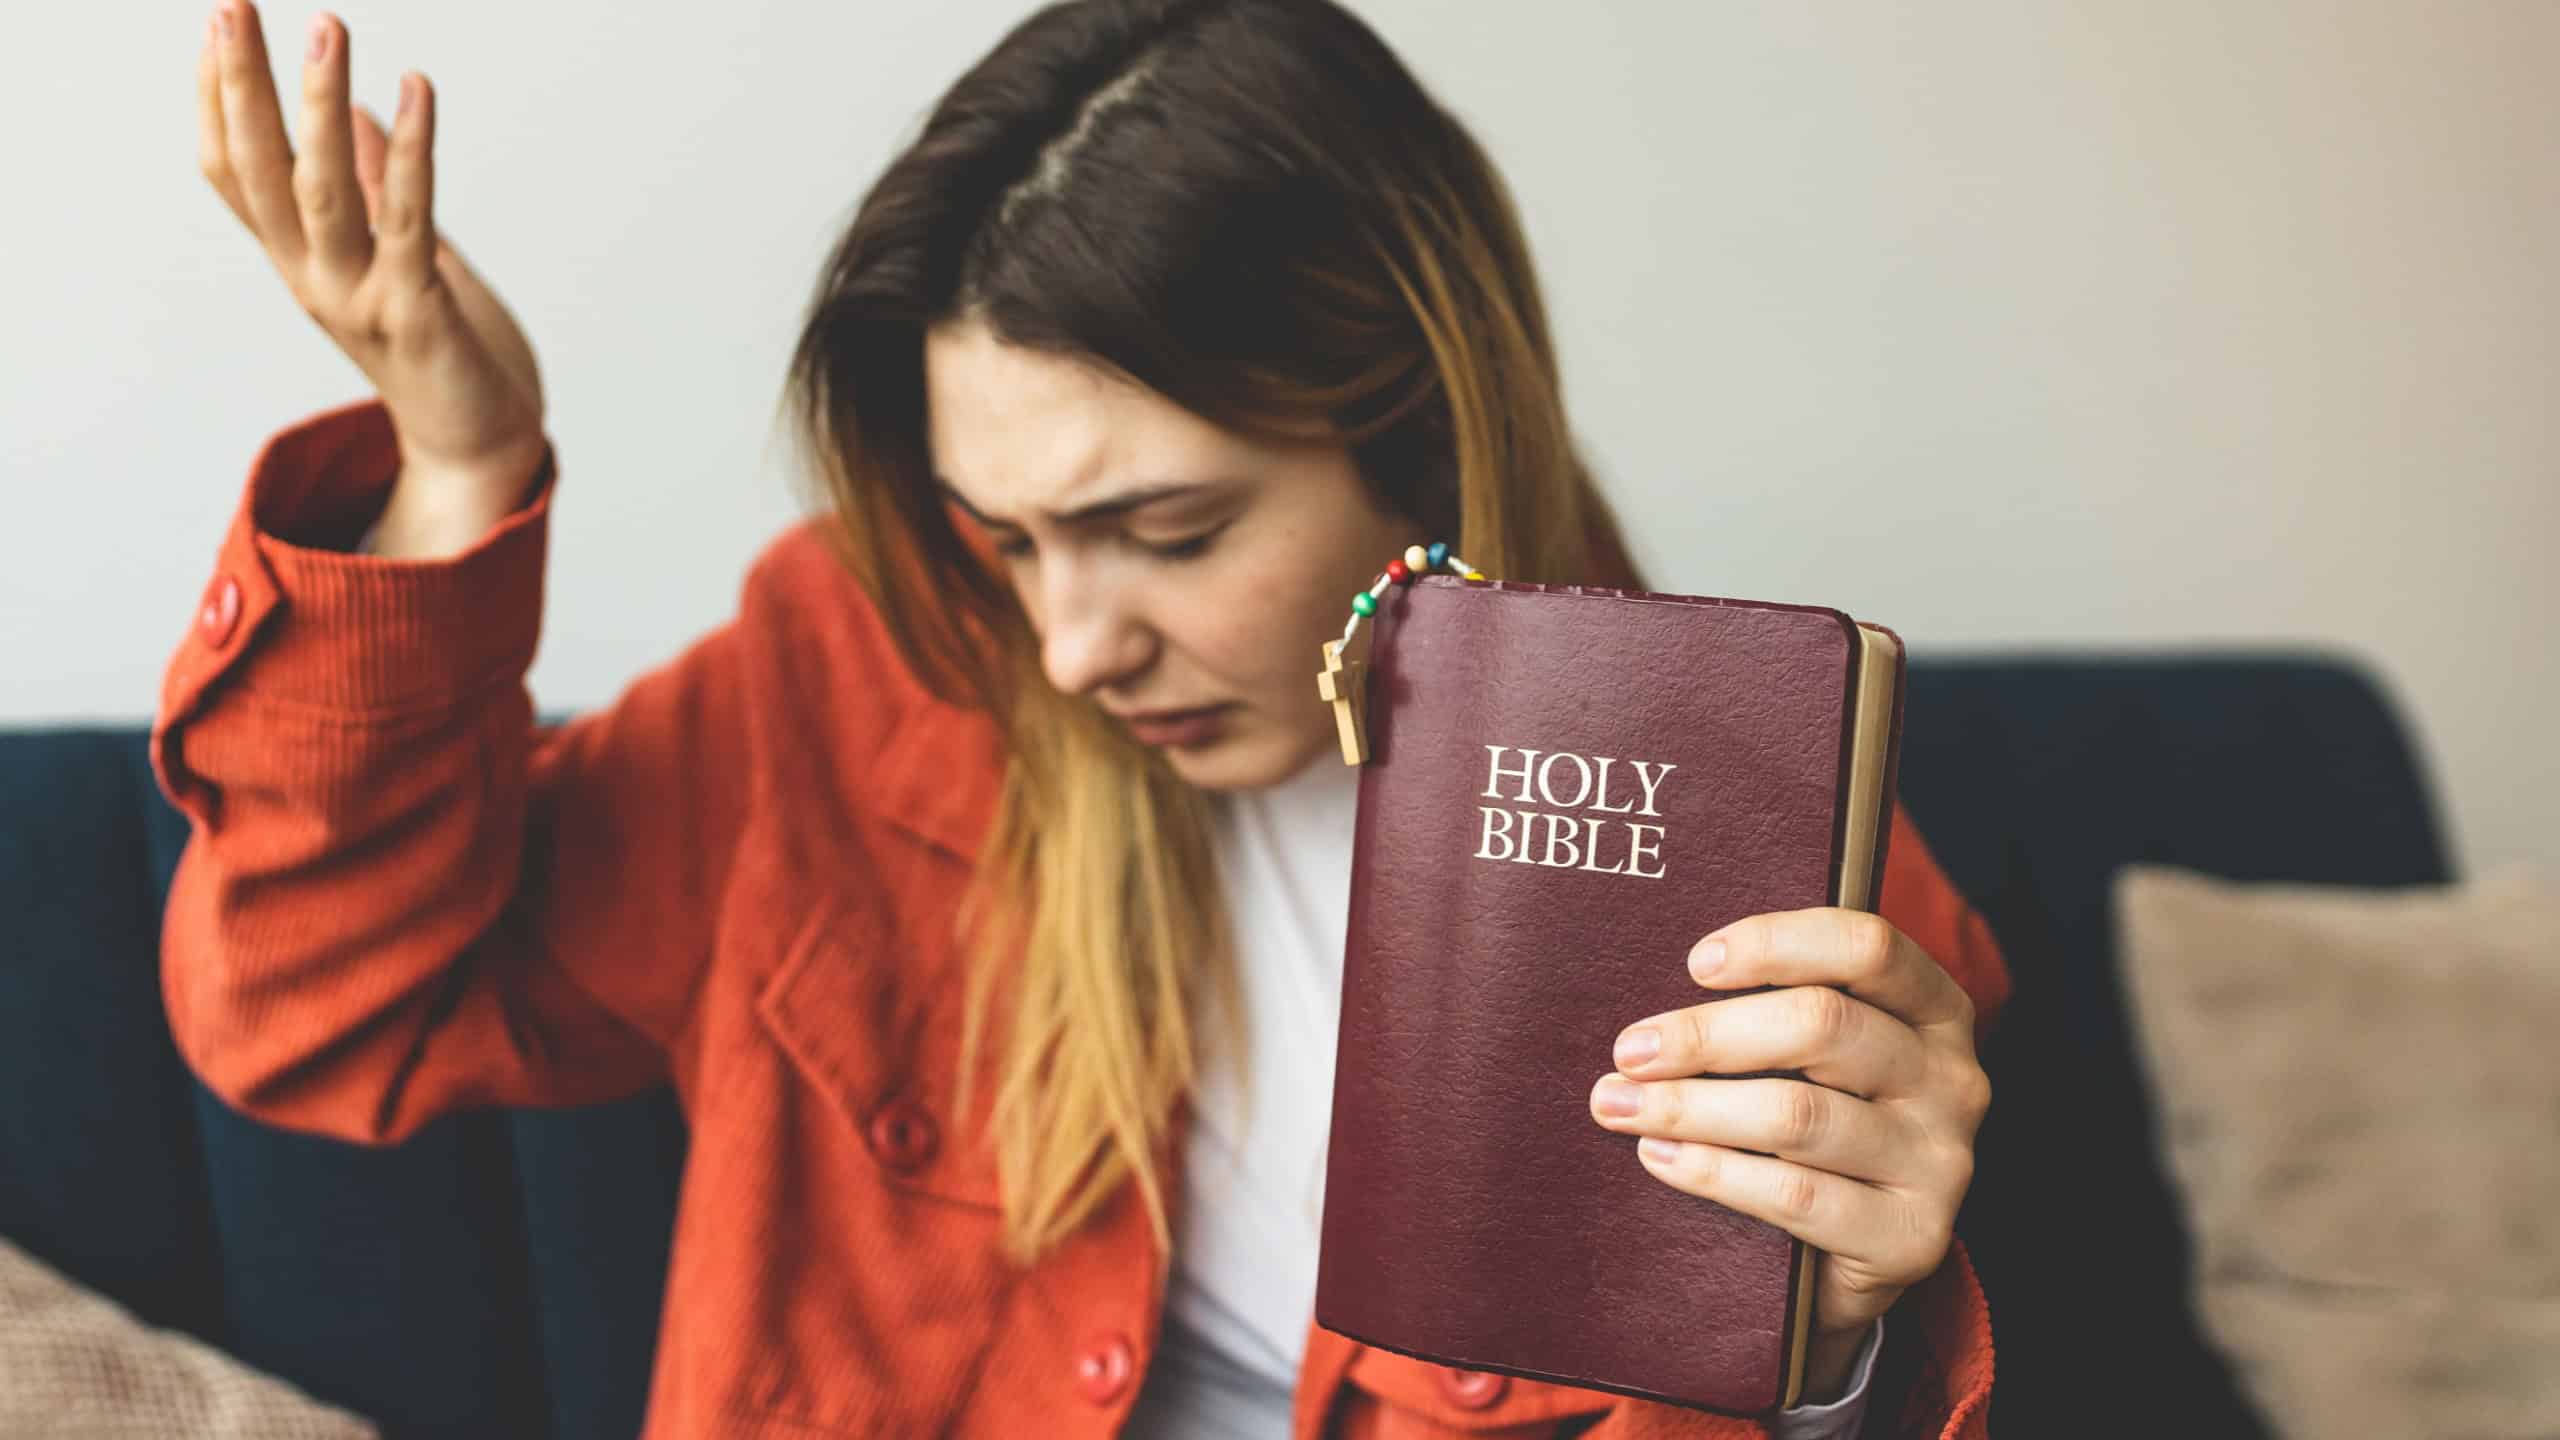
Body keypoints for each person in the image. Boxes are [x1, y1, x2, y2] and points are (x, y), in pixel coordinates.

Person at [165, 1, 2007, 1435]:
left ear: (1424, 434)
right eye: (1010, 539)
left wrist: (1823, 1353)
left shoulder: (1768, 863)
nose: (1070, 647)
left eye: (1170, 534)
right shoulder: (849, 669)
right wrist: (454, 474)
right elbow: (326, 1020)